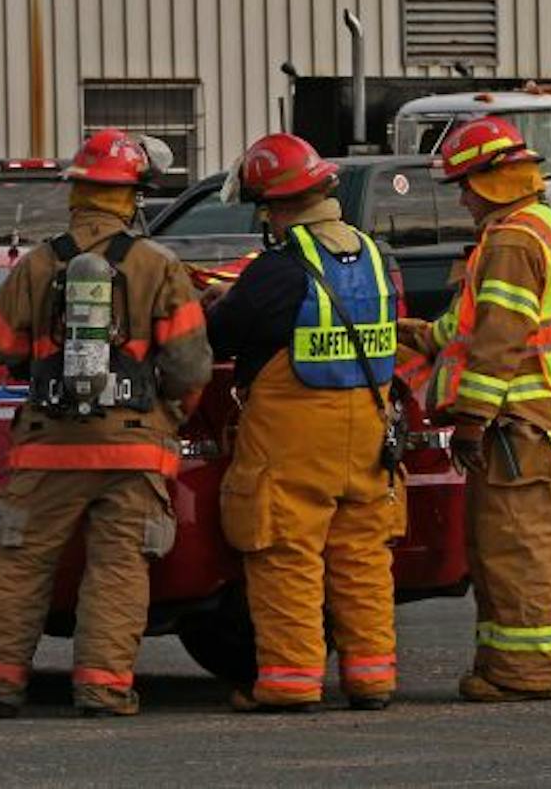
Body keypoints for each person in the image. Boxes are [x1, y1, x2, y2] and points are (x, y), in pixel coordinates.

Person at [0, 129, 211, 719]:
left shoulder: (39, 263)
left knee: (19, 562)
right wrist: (164, 416)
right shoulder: (159, 266)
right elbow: (190, 365)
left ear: (77, 192)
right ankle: (102, 688)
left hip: (48, 447)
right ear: (134, 196)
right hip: (134, 450)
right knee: (119, 568)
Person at [205, 132, 405, 712]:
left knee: (286, 552)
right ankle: (371, 677)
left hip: (293, 439)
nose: (264, 217)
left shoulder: (280, 268)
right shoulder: (372, 254)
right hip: (366, 431)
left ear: (280, 205)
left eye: (264, 206)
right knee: (362, 556)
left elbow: (223, 334)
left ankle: (290, 682)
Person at [405, 115, 551, 703]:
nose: (462, 197)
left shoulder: (514, 239)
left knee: (516, 549)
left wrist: (470, 417)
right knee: (499, 547)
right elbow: (465, 328)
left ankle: (526, 672)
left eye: (466, 183)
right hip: (526, 424)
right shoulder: (528, 228)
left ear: (495, 178)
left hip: (518, 424)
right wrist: (411, 333)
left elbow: (498, 341)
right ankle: (505, 668)